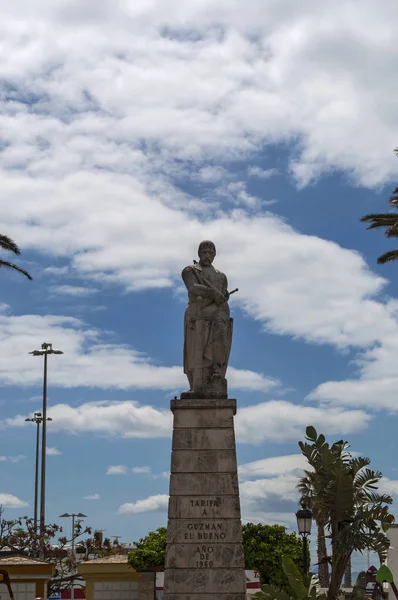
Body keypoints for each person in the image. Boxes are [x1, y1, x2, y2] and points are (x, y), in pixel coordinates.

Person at [181, 240, 233, 398]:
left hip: (216, 314)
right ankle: (196, 386)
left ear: (215, 255)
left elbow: (223, 298)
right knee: (194, 354)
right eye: (204, 252)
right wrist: (212, 294)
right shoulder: (190, 270)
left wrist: (223, 298)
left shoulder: (221, 276)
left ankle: (216, 372)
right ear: (199, 253)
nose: (207, 255)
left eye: (211, 253)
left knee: (221, 333)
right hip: (196, 316)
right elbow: (193, 287)